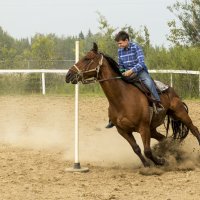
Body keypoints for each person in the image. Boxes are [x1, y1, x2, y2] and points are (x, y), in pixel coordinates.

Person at [106, 31, 164, 128]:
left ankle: (158, 104)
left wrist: (131, 71)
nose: (119, 45)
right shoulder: (120, 50)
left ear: (126, 40)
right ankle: (113, 117)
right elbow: (120, 64)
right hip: (127, 74)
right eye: (118, 43)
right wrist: (122, 71)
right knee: (115, 88)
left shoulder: (136, 47)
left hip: (139, 72)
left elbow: (141, 63)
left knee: (149, 84)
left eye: (120, 43)